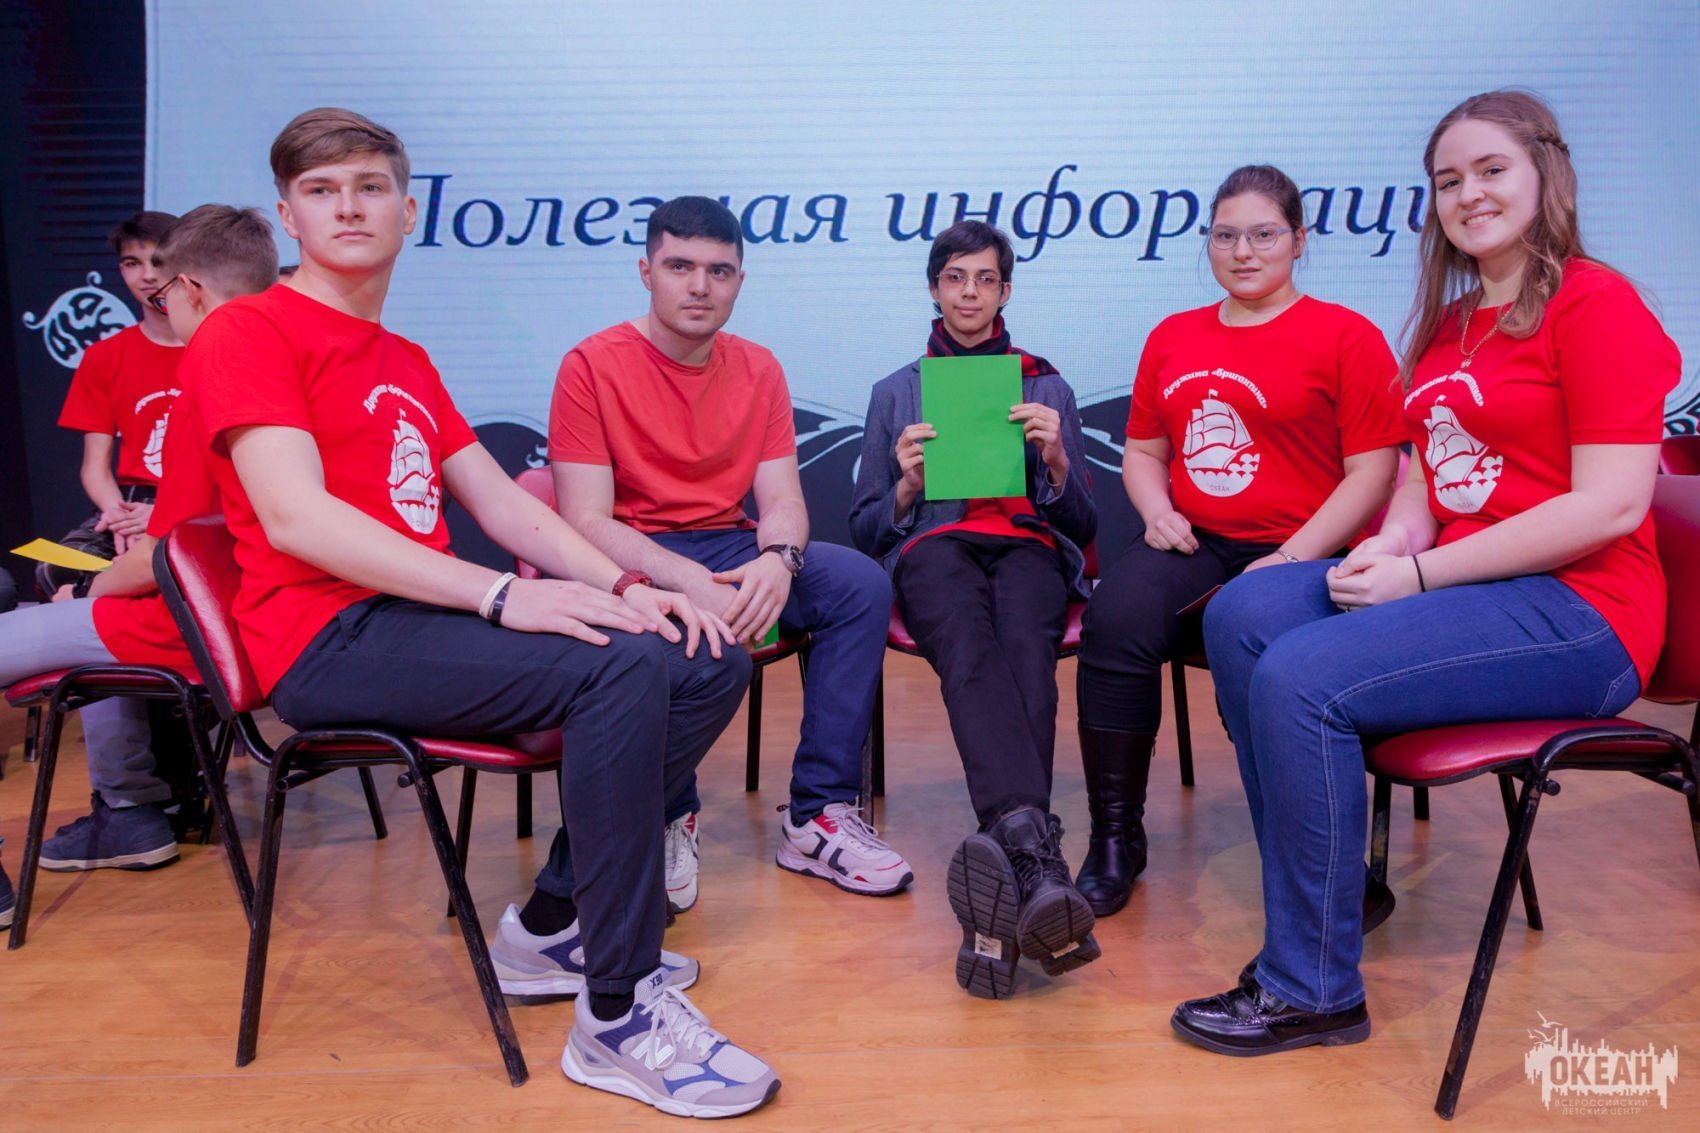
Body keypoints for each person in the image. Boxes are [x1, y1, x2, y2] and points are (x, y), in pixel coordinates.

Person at [184, 108, 776, 1117]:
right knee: (620, 666)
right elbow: (295, 517)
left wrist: (629, 588)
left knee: (703, 650)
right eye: (321, 191)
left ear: (408, 211)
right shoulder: (249, 329)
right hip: (326, 639)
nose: (348, 207)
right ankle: (617, 1013)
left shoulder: (403, 357)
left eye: (369, 187)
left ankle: (551, 925)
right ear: (287, 215)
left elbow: (503, 504)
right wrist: (504, 593)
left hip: (412, 619)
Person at [1171, 91, 1681, 1056]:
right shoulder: (1450, 322)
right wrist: (1395, 543)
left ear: (1546, 173)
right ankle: (1333, 889)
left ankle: (1312, 986)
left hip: (1585, 610)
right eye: (1449, 180)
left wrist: (1422, 573)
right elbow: (1422, 474)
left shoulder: (1595, 303)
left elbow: (1611, 505)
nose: (1468, 194)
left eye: (1491, 170)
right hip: (1470, 583)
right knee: (1243, 611)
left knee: (1302, 676)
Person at [551, 195, 911, 907]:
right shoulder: (590, 364)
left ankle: (817, 814)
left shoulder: (759, 367)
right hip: (630, 559)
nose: (699, 286)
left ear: (739, 281)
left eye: (718, 271)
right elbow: (583, 521)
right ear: (646, 271)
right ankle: (664, 812)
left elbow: (783, 500)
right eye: (679, 266)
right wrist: (684, 582)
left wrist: (779, 559)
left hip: (730, 544)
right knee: (688, 641)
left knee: (859, 584)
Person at [1073, 165, 1404, 917]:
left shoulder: (1346, 335)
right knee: (1115, 619)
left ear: (1299, 240)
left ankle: (1323, 865)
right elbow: (1144, 451)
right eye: (1226, 236)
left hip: (1306, 550)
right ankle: (1116, 838)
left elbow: (1374, 471)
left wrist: (1291, 556)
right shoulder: (1174, 335)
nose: (1243, 251)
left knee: (1260, 645)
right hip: (1198, 542)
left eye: (1263, 234)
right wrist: (1155, 510)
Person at [849, 221, 1097, 998]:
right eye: (955, 278)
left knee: (1026, 653)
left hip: (1027, 545)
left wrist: (1055, 461)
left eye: (985, 279)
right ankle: (1040, 865)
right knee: (968, 649)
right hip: (935, 547)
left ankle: (1009, 881)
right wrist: (906, 486)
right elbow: (864, 528)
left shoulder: (1046, 386)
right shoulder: (896, 390)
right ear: (934, 288)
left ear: (1005, 291)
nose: (969, 293)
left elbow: (1086, 523)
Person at [0, 204, 278, 872]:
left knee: (87, 607)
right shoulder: (287, 369)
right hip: (255, 617)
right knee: (89, 605)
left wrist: (87, 591)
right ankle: (132, 811)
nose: (152, 288)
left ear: (188, 289)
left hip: (189, 621)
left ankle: (130, 810)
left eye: (163, 279)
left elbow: (163, 559)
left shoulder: (205, 385)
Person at [39, 211, 183, 599]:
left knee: (175, 571)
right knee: (55, 569)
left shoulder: (219, 346)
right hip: (131, 504)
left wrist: (165, 519)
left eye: (158, 260)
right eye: (132, 263)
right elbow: (95, 467)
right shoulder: (104, 357)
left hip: (198, 508)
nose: (147, 276)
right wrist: (118, 518)